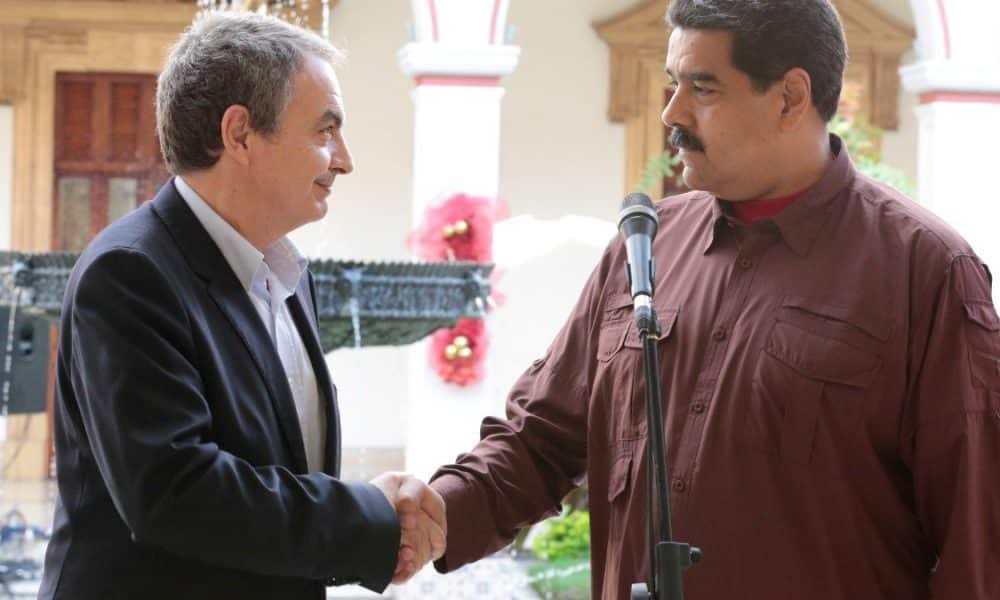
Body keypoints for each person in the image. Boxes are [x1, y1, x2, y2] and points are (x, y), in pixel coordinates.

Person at [428, 1, 1000, 598]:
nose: (671, 113)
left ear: (790, 98)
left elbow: (978, 535)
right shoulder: (644, 245)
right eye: (673, 83)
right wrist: (432, 515)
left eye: (702, 88)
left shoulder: (925, 271)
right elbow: (539, 443)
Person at [40, 12, 444, 599]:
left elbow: (282, 472)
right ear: (240, 134)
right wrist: (368, 520)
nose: (344, 159)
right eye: (325, 131)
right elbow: (177, 493)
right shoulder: (130, 272)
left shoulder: (289, 275)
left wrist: (371, 529)